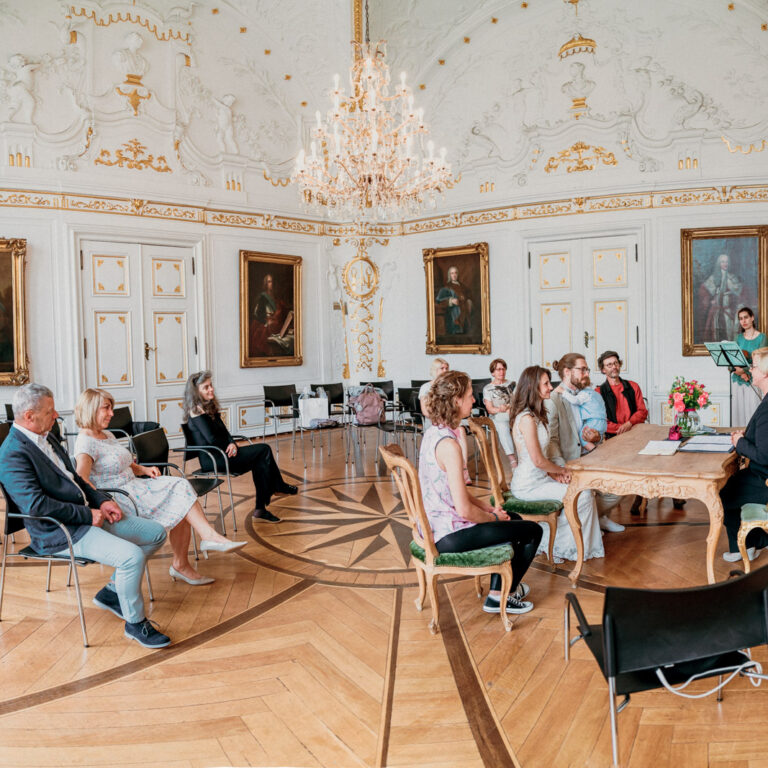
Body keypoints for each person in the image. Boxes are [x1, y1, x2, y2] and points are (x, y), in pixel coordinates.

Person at [0, 383, 171, 648]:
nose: (56, 415)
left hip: (85, 515)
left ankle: (113, 591)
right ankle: (135, 623)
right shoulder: (11, 453)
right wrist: (86, 514)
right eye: (50, 411)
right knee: (132, 557)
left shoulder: (47, 436)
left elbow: (77, 479)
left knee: (156, 533)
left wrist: (102, 501)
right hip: (59, 530)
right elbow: (36, 506)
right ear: (29, 416)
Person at [73, 388, 246, 587]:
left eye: (111, 408)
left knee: (180, 489)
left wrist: (144, 469)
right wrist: (102, 503)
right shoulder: (85, 443)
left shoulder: (106, 434)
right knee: (179, 496)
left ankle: (196, 549)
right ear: (91, 409)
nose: (112, 413)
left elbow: (124, 462)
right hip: (120, 498)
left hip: (135, 486)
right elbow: (82, 480)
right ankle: (193, 553)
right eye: (106, 408)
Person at [419, 370, 542, 614]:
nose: (474, 400)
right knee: (532, 531)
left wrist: (489, 508)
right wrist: (494, 517)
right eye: (469, 395)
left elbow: (453, 492)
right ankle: (500, 596)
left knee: (514, 519)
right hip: (448, 534)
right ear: (456, 401)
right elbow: (464, 509)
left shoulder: (434, 432)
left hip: (437, 524)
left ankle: (502, 590)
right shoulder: (449, 445)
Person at [510, 366, 604, 563]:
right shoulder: (526, 419)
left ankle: (573, 542)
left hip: (541, 479)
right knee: (582, 495)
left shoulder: (536, 415)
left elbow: (543, 458)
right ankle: (561, 546)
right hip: (528, 485)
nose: (550, 387)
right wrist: (561, 470)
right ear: (533, 387)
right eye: (545, 384)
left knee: (583, 489)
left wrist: (555, 474)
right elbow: (537, 460)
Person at [183, 371, 297, 522]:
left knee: (260, 460)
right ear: (196, 392)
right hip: (213, 459)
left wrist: (232, 443)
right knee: (264, 450)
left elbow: (224, 432)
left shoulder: (208, 407)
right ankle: (277, 488)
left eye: (211, 385)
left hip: (223, 453)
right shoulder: (196, 411)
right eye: (206, 387)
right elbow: (211, 439)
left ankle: (261, 508)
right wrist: (229, 445)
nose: (211, 389)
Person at [547, 353, 624, 533]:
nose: (587, 373)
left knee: (620, 485)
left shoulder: (585, 394)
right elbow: (551, 440)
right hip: (570, 461)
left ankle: (597, 518)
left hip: (589, 454)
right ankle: (589, 522)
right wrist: (560, 469)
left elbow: (592, 425)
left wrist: (596, 438)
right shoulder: (554, 399)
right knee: (591, 493)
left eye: (587, 369)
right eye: (582, 370)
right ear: (567, 372)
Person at [721, 346, 768, 562]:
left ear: (765, 373)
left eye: (754, 366)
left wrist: (739, 442)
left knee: (725, 493)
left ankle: (745, 547)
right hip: (761, 474)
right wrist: (745, 437)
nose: (750, 369)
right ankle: (757, 541)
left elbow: (764, 456)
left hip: (763, 477)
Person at [596, 350, 650, 515]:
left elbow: (642, 411)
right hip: (613, 437)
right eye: (609, 365)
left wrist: (629, 423)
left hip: (636, 432)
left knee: (647, 459)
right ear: (603, 369)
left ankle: (641, 494)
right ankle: (616, 496)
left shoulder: (633, 386)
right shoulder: (599, 392)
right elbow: (601, 421)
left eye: (615, 363)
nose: (614, 367)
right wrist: (620, 429)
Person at [419, 358, 471, 484]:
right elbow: (425, 411)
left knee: (461, 430)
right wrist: (442, 418)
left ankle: (464, 469)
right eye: (442, 368)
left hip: (450, 419)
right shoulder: (426, 387)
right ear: (434, 370)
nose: (445, 370)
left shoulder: (451, 387)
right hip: (434, 421)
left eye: (446, 368)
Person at [731, 307, 767, 427]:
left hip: (753, 380)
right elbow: (731, 359)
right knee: (738, 413)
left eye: (746, 317)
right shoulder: (738, 338)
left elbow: (762, 361)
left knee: (753, 412)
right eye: (741, 319)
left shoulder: (762, 337)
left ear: (752, 318)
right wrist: (739, 372)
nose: (744, 321)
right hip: (737, 381)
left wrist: (745, 371)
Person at [699, 253, 743, 343]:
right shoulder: (714, 278)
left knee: (730, 332)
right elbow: (704, 290)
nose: (725, 264)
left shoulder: (732, 277)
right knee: (715, 332)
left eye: (726, 262)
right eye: (722, 262)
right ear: (719, 264)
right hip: (716, 311)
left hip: (728, 310)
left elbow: (739, 293)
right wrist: (710, 300)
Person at [482, 358, 517, 468]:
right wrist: (500, 409)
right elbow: (489, 409)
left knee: (525, 421)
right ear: (492, 373)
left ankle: (527, 454)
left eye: (503, 369)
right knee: (502, 426)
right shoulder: (487, 389)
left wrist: (510, 408)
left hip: (512, 413)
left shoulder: (512, 384)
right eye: (498, 369)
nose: (501, 372)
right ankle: (512, 460)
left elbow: (518, 401)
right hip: (497, 416)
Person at [558, 372, 606, 451]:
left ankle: (595, 451)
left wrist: (563, 391)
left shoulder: (584, 394)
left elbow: (575, 400)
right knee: (593, 438)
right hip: (603, 422)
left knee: (582, 437)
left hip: (593, 421)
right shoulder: (596, 393)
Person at [436, 266, 473, 335]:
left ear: (458, 274)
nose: (454, 275)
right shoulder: (446, 287)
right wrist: (450, 301)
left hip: (465, 316)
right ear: (449, 275)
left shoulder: (463, 287)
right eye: (452, 273)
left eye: (455, 273)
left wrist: (469, 302)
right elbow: (438, 301)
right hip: (453, 316)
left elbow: (469, 297)